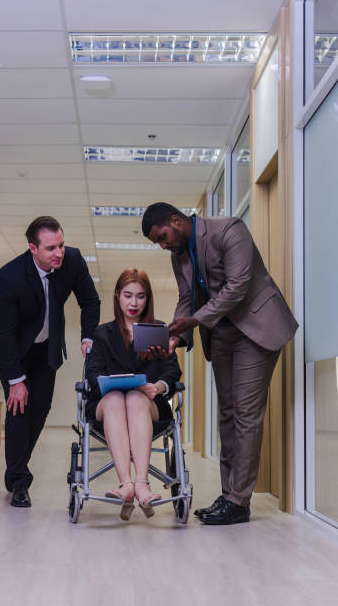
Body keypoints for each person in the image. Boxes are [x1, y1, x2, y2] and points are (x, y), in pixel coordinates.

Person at [142, 202, 298, 525]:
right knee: (226, 414)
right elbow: (187, 297)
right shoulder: (179, 255)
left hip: (255, 330)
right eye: (158, 242)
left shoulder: (229, 230)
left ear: (176, 220)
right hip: (222, 335)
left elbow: (237, 286)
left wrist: (194, 321)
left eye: (162, 236)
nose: (164, 245)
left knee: (245, 413)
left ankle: (239, 501)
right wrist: (174, 337)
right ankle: (230, 495)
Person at [0, 216, 100, 508]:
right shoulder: (9, 277)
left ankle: (16, 469)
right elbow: (2, 334)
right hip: (13, 349)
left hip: (46, 348)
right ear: (33, 249)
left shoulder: (72, 261)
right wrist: (15, 381)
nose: (59, 252)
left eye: (61, 244)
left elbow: (90, 301)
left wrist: (88, 336)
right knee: (19, 408)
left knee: (40, 409)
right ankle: (20, 483)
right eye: (51, 248)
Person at [86, 268, 181, 520]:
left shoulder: (159, 330)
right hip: (108, 404)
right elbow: (92, 373)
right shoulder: (103, 333)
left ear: (147, 299)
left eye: (140, 296)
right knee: (118, 397)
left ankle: (140, 483)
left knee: (136, 397)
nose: (133, 302)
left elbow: (172, 372)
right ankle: (126, 483)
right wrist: (110, 384)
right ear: (117, 296)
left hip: (147, 404)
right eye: (128, 295)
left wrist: (157, 387)